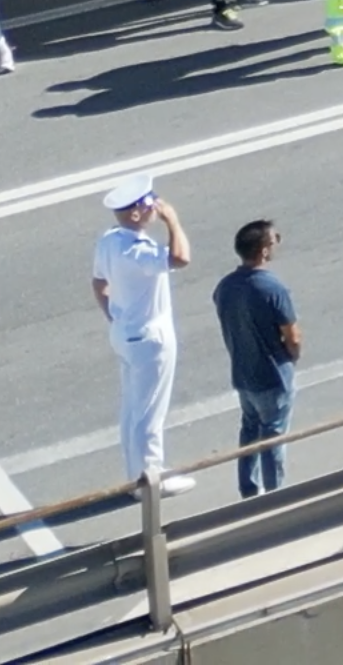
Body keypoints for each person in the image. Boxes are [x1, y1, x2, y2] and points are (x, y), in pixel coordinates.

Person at [92, 181, 192, 497]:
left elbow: (98, 283)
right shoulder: (140, 251)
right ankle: (151, 478)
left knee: (132, 410)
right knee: (150, 413)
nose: (156, 207)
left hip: (124, 333)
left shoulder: (110, 241)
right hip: (150, 338)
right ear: (135, 214)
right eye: (150, 204)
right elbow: (180, 258)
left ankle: (136, 474)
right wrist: (173, 221)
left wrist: (115, 317)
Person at [213, 221, 300, 499]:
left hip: (242, 373)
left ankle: (248, 489)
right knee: (273, 435)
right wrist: (291, 358)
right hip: (273, 376)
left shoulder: (225, 287)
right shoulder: (272, 288)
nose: (278, 242)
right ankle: (275, 496)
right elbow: (293, 336)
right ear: (263, 251)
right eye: (275, 239)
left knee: (249, 429)